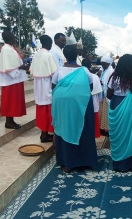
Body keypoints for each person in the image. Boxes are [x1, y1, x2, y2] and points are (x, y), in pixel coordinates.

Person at [51, 45, 97, 173]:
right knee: (83, 130)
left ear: (65, 56)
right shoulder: (84, 71)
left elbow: (53, 87)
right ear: (77, 55)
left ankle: (67, 163)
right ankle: (86, 161)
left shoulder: (59, 70)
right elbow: (91, 87)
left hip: (63, 106)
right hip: (82, 105)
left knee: (66, 130)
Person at [107, 54, 132, 172]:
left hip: (117, 104)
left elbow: (108, 94)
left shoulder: (114, 77)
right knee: (131, 134)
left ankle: (120, 165)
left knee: (119, 134)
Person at [0, 31, 29, 129]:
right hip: (10, 80)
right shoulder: (6, 49)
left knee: (13, 101)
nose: (15, 39)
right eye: (13, 37)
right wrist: (22, 67)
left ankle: (11, 121)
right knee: (10, 101)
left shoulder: (10, 48)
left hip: (14, 79)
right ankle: (9, 122)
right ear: (10, 38)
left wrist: (22, 65)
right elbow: (10, 66)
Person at [29, 35, 58, 142]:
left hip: (38, 88)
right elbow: (55, 73)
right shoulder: (49, 55)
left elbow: (32, 71)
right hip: (47, 87)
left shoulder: (36, 55)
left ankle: (44, 134)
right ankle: (46, 135)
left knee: (42, 111)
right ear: (48, 43)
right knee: (48, 111)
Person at [82, 59, 102, 138]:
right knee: (93, 121)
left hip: (82, 102)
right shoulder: (95, 77)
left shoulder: (78, 75)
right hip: (94, 102)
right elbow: (99, 91)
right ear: (90, 66)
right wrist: (100, 99)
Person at [99, 56, 114, 136]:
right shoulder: (104, 70)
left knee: (106, 113)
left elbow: (109, 83)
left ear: (108, 63)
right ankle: (101, 128)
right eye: (102, 64)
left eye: (104, 64)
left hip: (106, 95)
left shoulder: (110, 71)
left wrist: (102, 83)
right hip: (102, 94)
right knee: (101, 113)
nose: (103, 66)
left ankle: (107, 129)